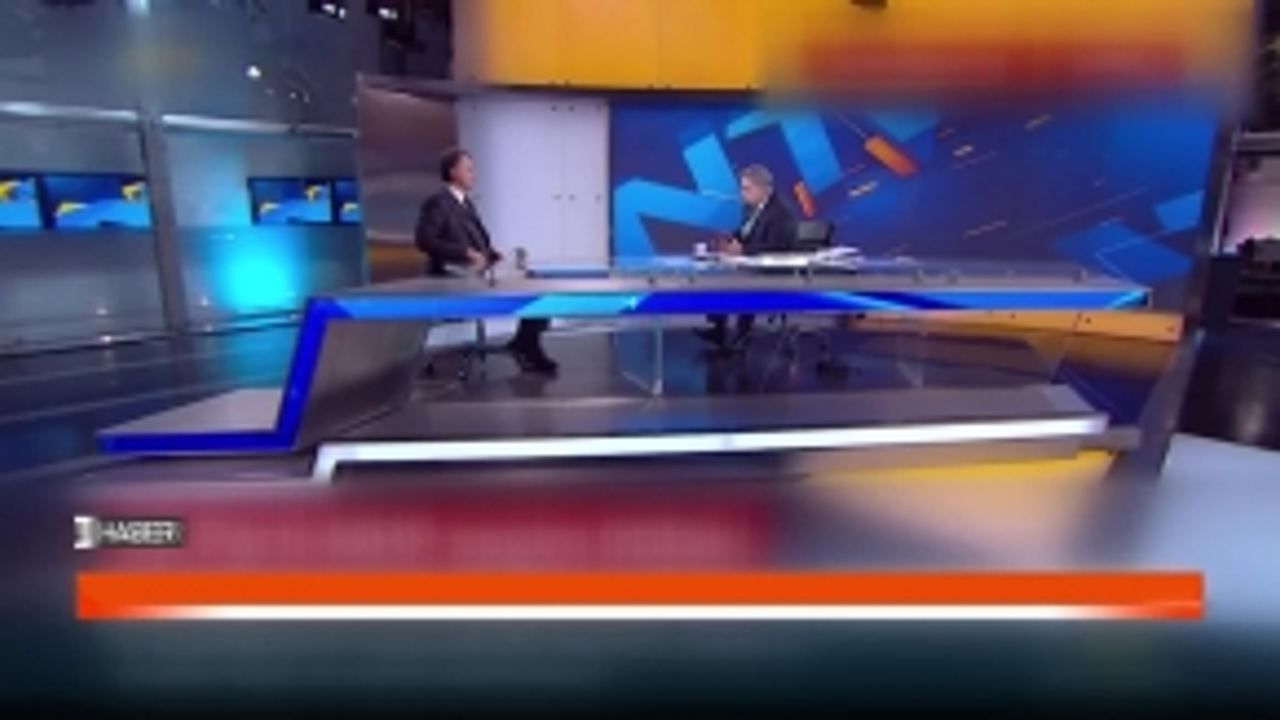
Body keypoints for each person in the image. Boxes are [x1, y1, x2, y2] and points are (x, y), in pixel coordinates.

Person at [415, 147, 557, 374]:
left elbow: (477, 243)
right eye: (469, 169)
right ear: (453, 172)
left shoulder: (466, 204)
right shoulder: (438, 203)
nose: (474, 174)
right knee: (532, 287)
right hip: (453, 277)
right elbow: (424, 240)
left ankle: (526, 343)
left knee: (535, 282)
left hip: (476, 273)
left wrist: (491, 253)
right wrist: (464, 253)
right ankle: (526, 346)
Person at [695, 164, 797, 353]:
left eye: (746, 189)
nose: (742, 194)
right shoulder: (750, 208)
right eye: (742, 188)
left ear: (764, 189)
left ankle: (740, 336)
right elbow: (744, 233)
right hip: (752, 265)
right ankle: (718, 330)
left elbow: (777, 248)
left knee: (738, 281)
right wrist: (728, 240)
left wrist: (743, 250)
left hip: (774, 272)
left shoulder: (781, 213)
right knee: (718, 276)